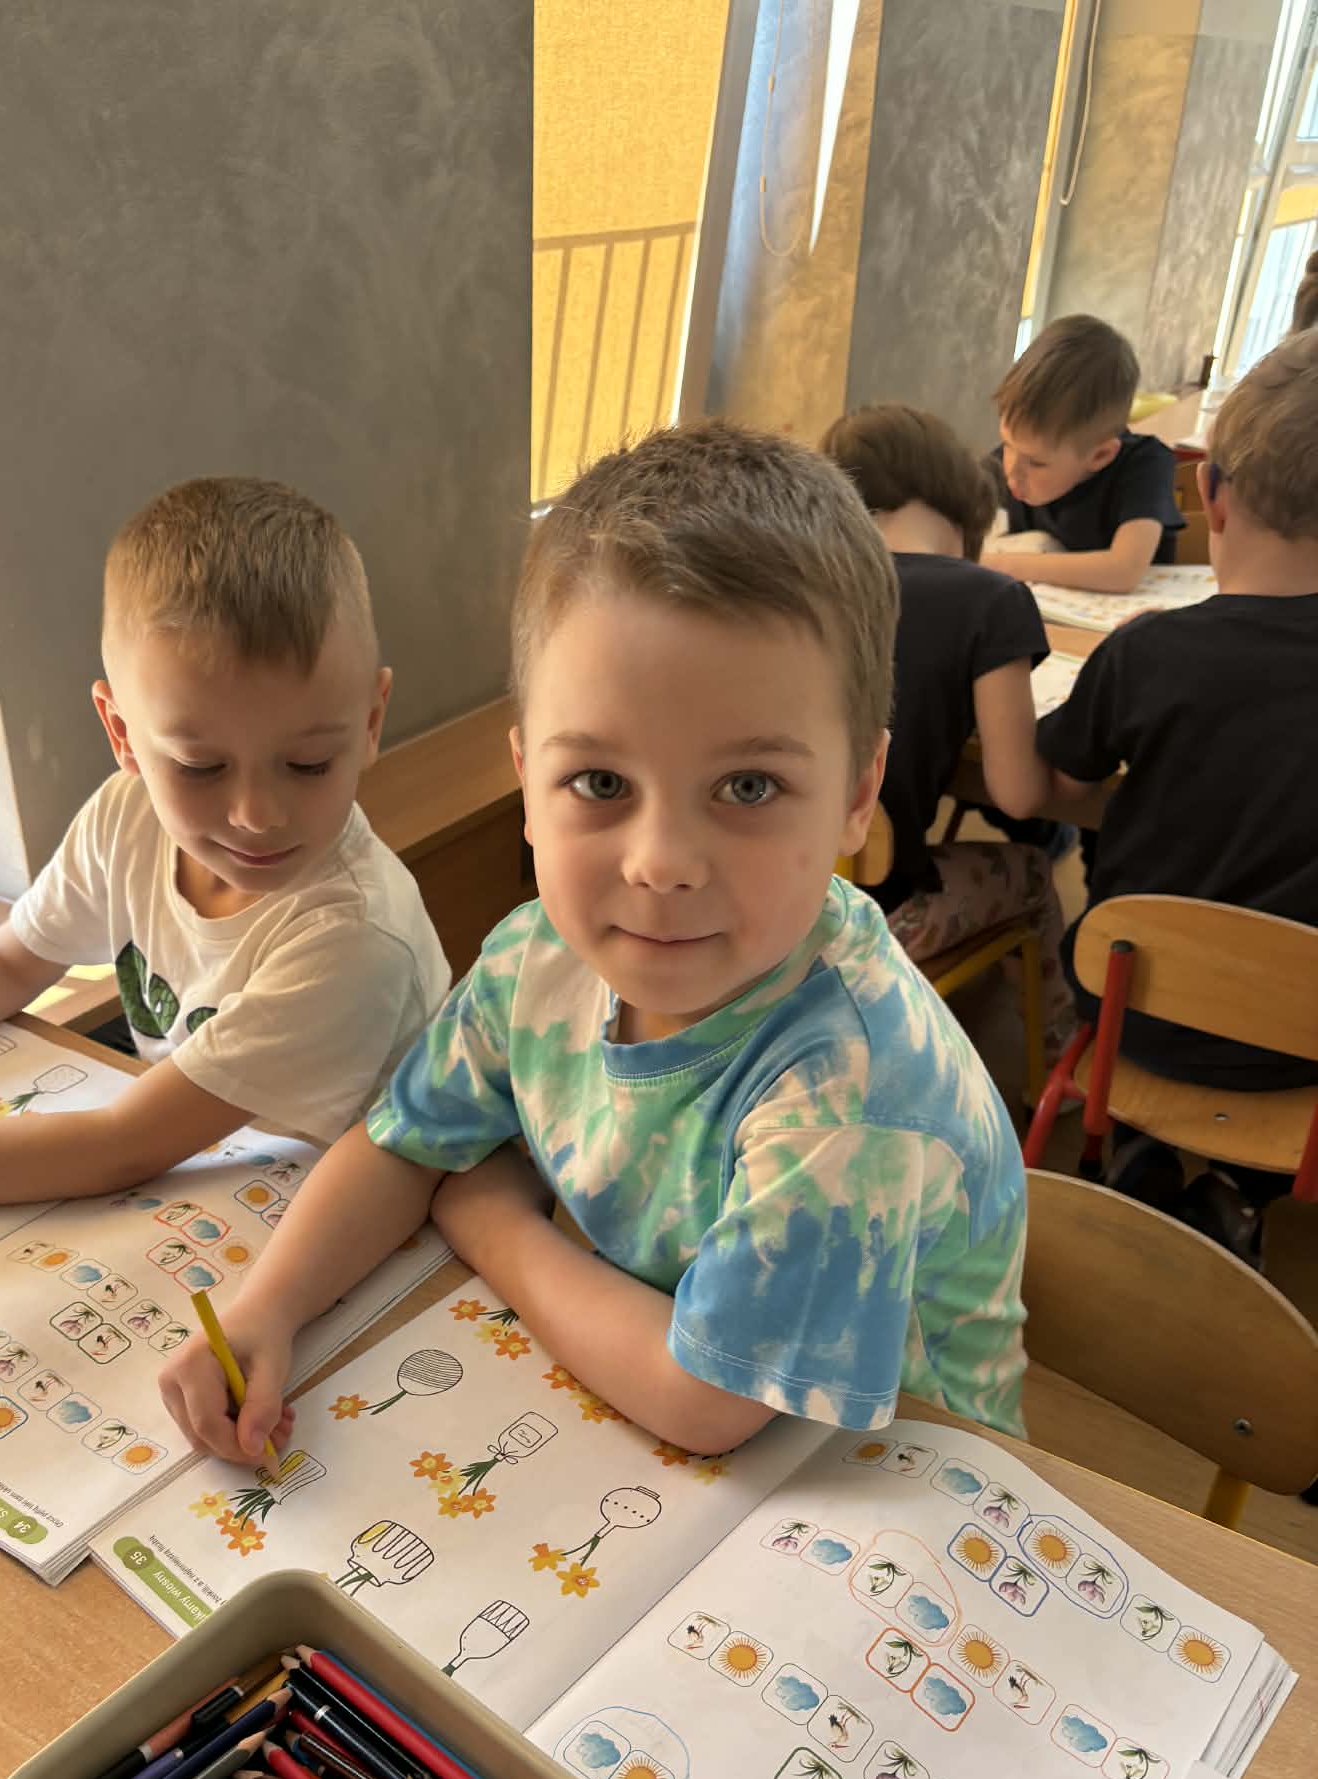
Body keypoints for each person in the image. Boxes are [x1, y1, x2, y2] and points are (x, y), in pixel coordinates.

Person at [160, 423, 1030, 1466]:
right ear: (527, 783)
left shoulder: (853, 1083)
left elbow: (705, 1402)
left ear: (856, 793)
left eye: (749, 786)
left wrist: (492, 1220)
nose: (660, 863)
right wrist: (266, 1307)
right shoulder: (539, 957)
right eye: (601, 782)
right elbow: (404, 1143)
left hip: (900, 1482)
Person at [0, 478, 450, 1208]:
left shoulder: (355, 935)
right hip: (211, 1174)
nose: (257, 815)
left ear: (372, 721)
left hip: (368, 1216)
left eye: (309, 764)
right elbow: (9, 962)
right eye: (200, 767)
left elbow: (124, 1145)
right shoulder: (127, 816)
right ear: (121, 732)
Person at [1035, 327, 1318, 1259]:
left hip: (1129, 1015)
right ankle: (1240, 1188)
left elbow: (1064, 780)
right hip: (1300, 1048)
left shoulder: (1148, 653)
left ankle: (1141, 1149)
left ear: (1213, 495)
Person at [822, 403, 1075, 1065]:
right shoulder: (988, 599)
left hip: (759, 908)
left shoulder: (800, 581)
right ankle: (1057, 1064)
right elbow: (1017, 796)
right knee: (1031, 871)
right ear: (963, 504)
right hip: (871, 922)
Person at [982, 315, 1184, 593]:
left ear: (1100, 456)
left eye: (1037, 463)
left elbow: (1123, 571)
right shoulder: (1013, 460)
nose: (1011, 472)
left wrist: (993, 564)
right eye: (1007, 444)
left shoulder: (1145, 464)